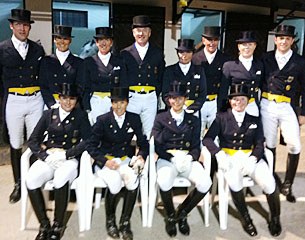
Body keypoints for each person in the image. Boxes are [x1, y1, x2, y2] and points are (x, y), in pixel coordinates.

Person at [203, 84, 282, 237]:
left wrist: (253, 158)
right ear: (230, 101)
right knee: (234, 181)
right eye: (235, 99)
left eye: (242, 99)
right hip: (229, 158)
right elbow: (208, 139)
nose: (238, 103)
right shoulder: (221, 118)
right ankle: (246, 219)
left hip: (250, 157)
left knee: (270, 183)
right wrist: (218, 154)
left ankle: (275, 218)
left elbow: (260, 143)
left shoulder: (254, 119)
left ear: (247, 101)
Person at [25, 83, 91, 240]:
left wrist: (68, 154)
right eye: (64, 98)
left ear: (76, 100)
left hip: (69, 159)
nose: (68, 102)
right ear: (59, 98)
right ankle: (44, 224)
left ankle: (58, 225)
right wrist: (44, 156)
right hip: (50, 157)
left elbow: (88, 140)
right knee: (31, 179)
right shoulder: (49, 114)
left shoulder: (81, 116)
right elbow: (33, 140)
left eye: (72, 99)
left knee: (61, 177)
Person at [86, 87, 148, 240]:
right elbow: (91, 145)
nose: (118, 106)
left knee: (134, 181)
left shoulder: (134, 118)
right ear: (111, 103)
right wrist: (104, 161)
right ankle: (110, 220)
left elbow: (143, 142)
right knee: (114, 182)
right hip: (107, 161)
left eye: (122, 102)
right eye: (115, 103)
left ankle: (125, 222)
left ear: (127, 103)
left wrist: (140, 156)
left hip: (125, 160)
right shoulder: (102, 120)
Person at [151, 81, 211, 237]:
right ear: (168, 100)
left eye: (180, 98)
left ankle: (183, 212)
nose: (176, 102)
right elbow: (157, 144)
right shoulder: (160, 118)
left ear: (185, 99)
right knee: (164, 181)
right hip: (167, 158)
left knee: (206, 183)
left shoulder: (194, 120)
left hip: (186, 157)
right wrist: (170, 158)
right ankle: (170, 216)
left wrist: (191, 157)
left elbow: (196, 146)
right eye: (172, 98)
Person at [0, 8, 45, 203]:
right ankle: (18, 183)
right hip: (14, 100)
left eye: (25, 25)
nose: (22, 28)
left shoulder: (37, 49)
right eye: (18, 24)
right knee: (16, 142)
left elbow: (43, 76)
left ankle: (32, 180)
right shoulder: (2, 49)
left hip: (35, 99)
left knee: (35, 140)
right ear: (11, 25)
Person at [261, 25, 305, 203]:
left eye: (287, 38)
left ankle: (287, 183)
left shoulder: (300, 61)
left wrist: (303, 112)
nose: (283, 41)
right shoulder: (266, 58)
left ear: (292, 41)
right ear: (275, 40)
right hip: (267, 104)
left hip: (288, 107)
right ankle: (270, 179)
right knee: (269, 144)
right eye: (280, 38)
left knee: (294, 145)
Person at [120, 15, 165, 138]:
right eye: (138, 30)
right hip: (131, 97)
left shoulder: (157, 52)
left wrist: (155, 93)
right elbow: (122, 78)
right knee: (129, 132)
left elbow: (161, 76)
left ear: (150, 33)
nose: (141, 33)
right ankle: (130, 157)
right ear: (133, 32)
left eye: (145, 30)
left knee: (149, 133)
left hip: (150, 97)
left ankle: (147, 157)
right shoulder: (125, 53)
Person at [79, 27, 123, 125]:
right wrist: (86, 107)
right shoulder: (89, 62)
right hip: (95, 102)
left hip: (113, 102)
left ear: (111, 42)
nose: (103, 43)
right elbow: (85, 86)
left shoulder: (119, 61)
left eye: (107, 40)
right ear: (96, 42)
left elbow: (123, 83)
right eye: (100, 40)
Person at [192, 26, 230, 130]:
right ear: (203, 40)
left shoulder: (225, 59)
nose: (212, 43)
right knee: (197, 135)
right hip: (199, 102)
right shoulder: (194, 59)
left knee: (215, 136)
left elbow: (225, 85)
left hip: (215, 102)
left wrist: (222, 107)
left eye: (215, 40)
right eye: (209, 40)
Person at [218, 31, 263, 117]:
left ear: (255, 46)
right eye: (244, 44)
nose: (247, 47)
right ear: (239, 47)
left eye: (250, 44)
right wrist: (222, 110)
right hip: (235, 105)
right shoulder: (229, 65)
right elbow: (223, 91)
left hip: (252, 105)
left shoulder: (259, 65)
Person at [39, 25, 83, 109]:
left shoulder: (79, 62)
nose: (62, 42)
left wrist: (69, 103)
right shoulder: (45, 61)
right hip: (51, 104)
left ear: (70, 40)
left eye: (65, 39)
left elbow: (80, 87)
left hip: (70, 105)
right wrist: (52, 104)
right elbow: (43, 85)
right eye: (59, 38)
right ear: (54, 40)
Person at [162, 39, 207, 114]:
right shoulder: (169, 71)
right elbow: (165, 93)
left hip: (193, 110)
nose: (184, 55)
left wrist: (193, 108)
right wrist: (177, 107)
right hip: (174, 110)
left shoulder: (199, 70)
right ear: (177, 53)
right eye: (181, 52)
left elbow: (202, 93)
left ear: (192, 53)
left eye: (188, 52)